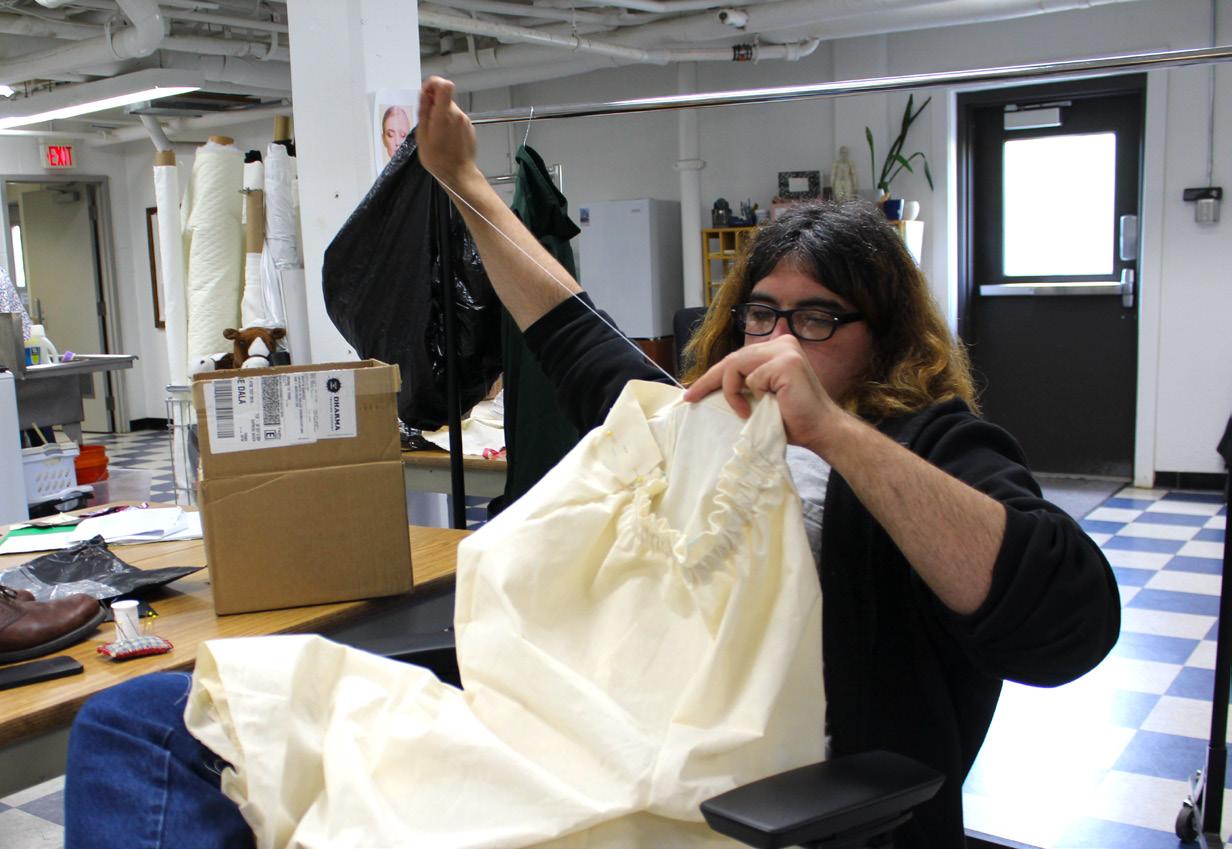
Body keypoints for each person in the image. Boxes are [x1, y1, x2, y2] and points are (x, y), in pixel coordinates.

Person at [63, 76, 1119, 849]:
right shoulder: (695, 421)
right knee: (146, 720)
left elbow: (1068, 619)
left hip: (724, 789)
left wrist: (835, 435)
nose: (779, 342)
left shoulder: (928, 445)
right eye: (762, 313)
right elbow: (566, 326)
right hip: (566, 724)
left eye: (817, 319)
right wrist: (460, 181)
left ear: (883, 341)